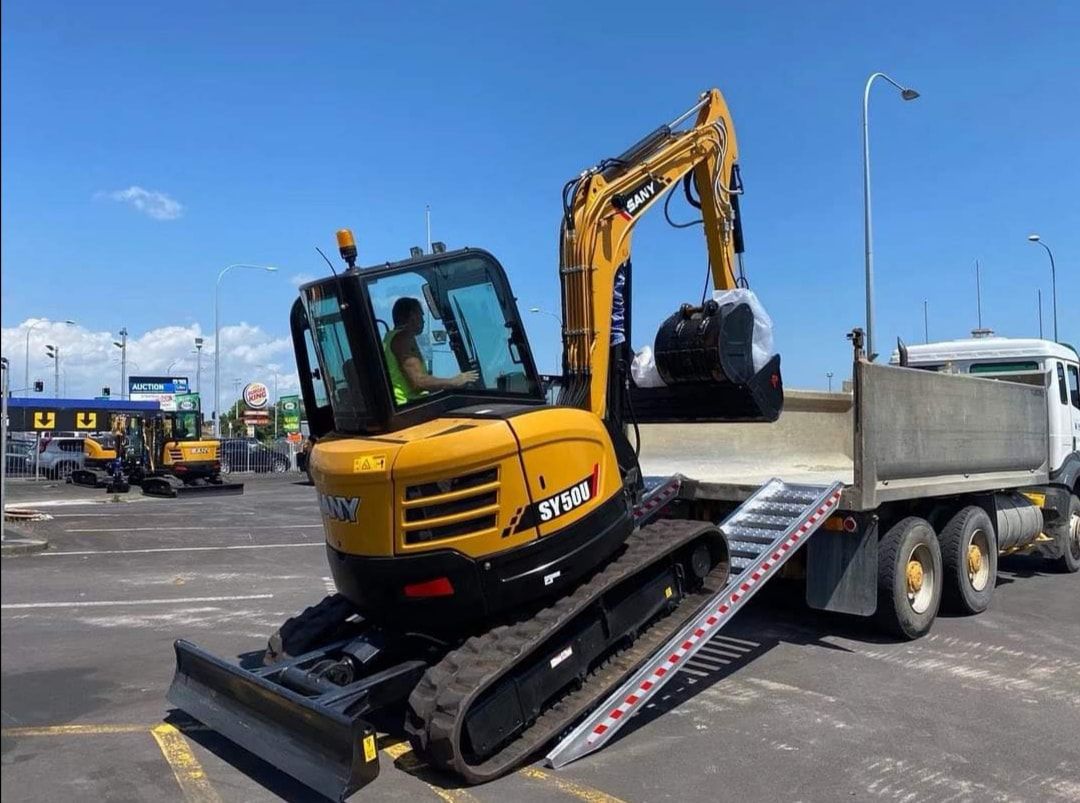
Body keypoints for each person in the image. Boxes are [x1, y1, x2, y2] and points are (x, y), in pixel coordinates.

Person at [385, 297, 478, 405]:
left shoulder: (390, 338)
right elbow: (419, 382)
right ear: (413, 316)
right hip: (409, 405)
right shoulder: (403, 338)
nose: (423, 320)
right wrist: (454, 382)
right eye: (421, 314)